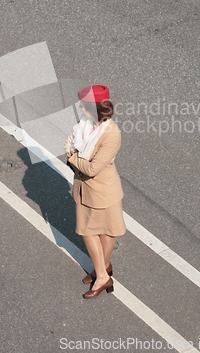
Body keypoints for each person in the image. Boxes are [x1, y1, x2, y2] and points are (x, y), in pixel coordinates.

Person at [64, 84, 126, 299]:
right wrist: (74, 153)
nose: (80, 109)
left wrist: (71, 156)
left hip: (102, 191)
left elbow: (91, 168)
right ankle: (104, 268)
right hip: (85, 189)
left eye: (83, 106)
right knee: (99, 231)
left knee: (96, 231)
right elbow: (73, 144)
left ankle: (102, 276)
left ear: (94, 108)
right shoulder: (84, 125)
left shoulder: (111, 134)